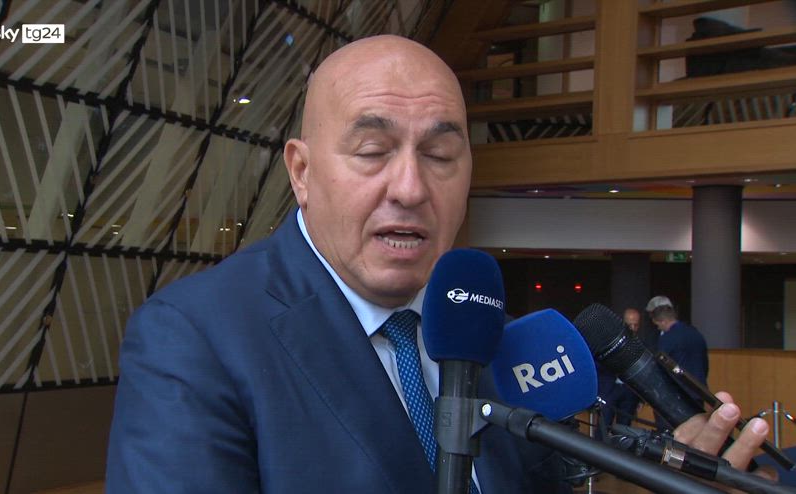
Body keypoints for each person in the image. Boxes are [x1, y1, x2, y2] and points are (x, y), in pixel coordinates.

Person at [106, 35, 773, 493]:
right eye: (373, 151)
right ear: (301, 172)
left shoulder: (492, 337)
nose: (410, 187)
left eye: (440, 155)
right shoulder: (194, 339)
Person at [597, 308, 643, 431]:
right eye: (629, 325)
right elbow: (598, 364)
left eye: (636, 325)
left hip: (629, 392)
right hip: (609, 389)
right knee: (603, 427)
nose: (632, 328)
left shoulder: (640, 344)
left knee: (625, 430)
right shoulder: (608, 341)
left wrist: (640, 399)